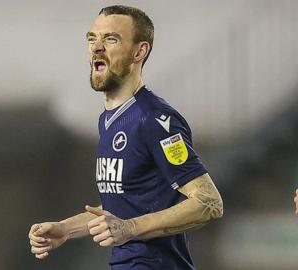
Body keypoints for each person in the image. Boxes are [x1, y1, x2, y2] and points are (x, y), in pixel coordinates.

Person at [28, 5, 223, 270]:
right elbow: (126, 203)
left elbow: (208, 202)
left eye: (110, 39)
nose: (97, 47)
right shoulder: (109, 120)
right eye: (91, 39)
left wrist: (131, 228)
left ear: (139, 52)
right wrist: (65, 229)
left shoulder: (154, 119)